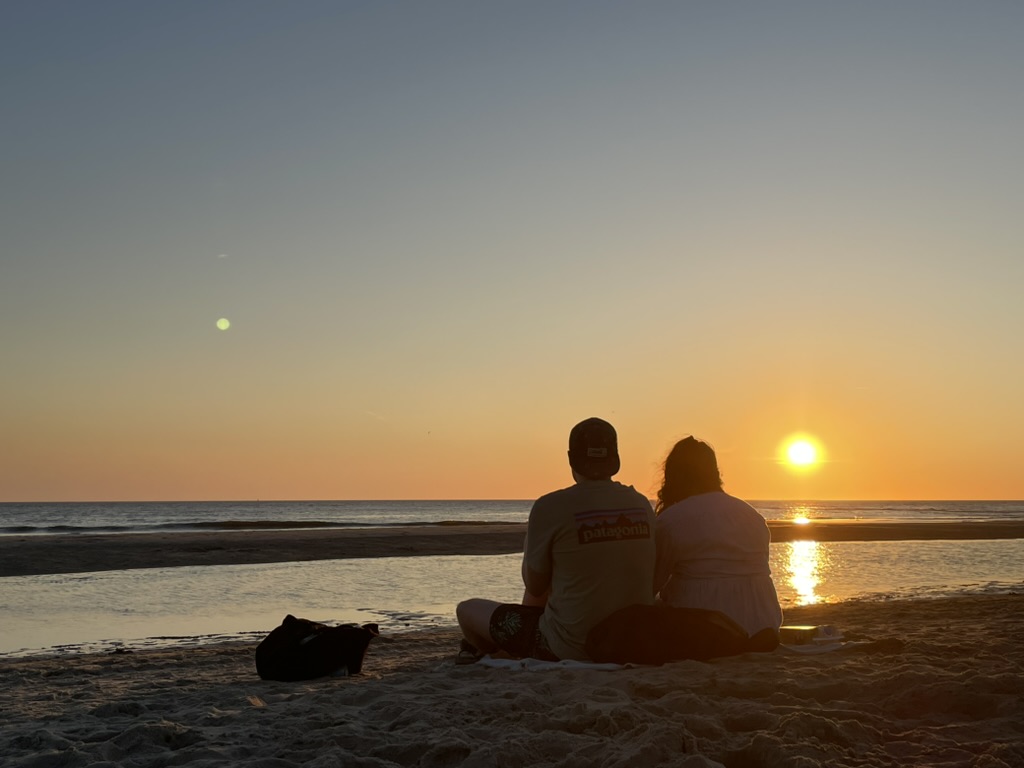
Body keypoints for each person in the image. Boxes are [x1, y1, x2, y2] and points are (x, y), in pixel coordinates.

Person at [456, 417, 656, 662]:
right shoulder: (641, 504)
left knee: (466, 610)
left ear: (572, 459)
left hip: (570, 647)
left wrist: (534, 543)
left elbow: (535, 585)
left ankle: (495, 654)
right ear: (615, 459)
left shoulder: (550, 506)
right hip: (631, 642)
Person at [653, 436, 782, 650]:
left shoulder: (672, 520)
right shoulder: (751, 516)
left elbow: (653, 582)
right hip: (763, 622)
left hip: (706, 625)